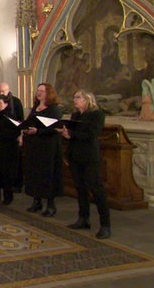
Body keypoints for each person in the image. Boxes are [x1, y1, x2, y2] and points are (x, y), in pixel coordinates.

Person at [58, 90, 111, 239]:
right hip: (75, 156)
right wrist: (67, 135)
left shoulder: (97, 115)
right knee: (80, 188)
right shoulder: (75, 116)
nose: (75, 100)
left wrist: (72, 134)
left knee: (96, 189)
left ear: (88, 99)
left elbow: (92, 135)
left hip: (89, 156)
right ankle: (83, 219)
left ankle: (105, 224)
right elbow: (73, 134)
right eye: (74, 97)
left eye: (78, 97)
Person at [22, 83, 63, 217]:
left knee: (47, 173)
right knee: (35, 173)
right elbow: (29, 122)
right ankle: (37, 201)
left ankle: (50, 204)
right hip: (34, 145)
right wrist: (25, 128)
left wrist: (38, 131)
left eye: (42, 91)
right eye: (37, 90)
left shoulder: (53, 109)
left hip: (48, 146)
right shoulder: (35, 108)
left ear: (48, 93)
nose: (38, 93)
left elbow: (55, 128)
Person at [0, 82, 24, 192]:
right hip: (2, 137)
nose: (1, 93)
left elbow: (20, 119)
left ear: (8, 90)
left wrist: (21, 135)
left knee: (15, 162)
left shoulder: (16, 102)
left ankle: (17, 184)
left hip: (14, 134)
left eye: (2, 91)